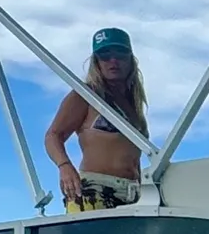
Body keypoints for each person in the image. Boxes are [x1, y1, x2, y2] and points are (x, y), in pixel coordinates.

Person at [45, 28, 149, 211]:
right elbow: (53, 135)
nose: (113, 61)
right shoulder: (86, 95)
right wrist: (65, 166)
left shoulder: (134, 107)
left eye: (120, 54)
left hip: (134, 194)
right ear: (96, 62)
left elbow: (133, 155)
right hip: (95, 190)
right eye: (105, 55)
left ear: (131, 59)